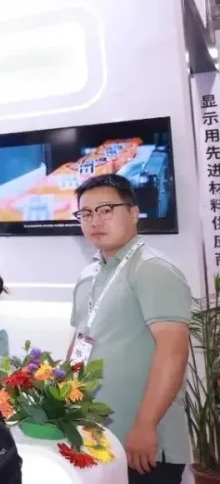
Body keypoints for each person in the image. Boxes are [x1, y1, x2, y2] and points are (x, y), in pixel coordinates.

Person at [69, 174, 190, 483]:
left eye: (106, 210)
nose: (95, 221)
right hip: (97, 438)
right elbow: (81, 340)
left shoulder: (151, 268)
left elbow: (173, 351)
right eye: (86, 213)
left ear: (134, 213)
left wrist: (146, 424)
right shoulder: (89, 274)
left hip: (144, 444)